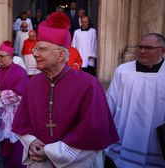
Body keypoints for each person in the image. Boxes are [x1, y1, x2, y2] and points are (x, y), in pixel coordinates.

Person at [12, 12, 119, 168]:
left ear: (61, 55)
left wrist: (50, 151)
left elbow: (92, 133)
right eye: (35, 49)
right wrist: (31, 142)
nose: (34, 53)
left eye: (41, 49)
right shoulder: (33, 83)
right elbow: (23, 122)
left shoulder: (89, 85)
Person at [106, 33, 165, 168]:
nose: (142, 51)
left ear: (162, 51)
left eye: (148, 48)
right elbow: (110, 102)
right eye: (140, 47)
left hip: (155, 138)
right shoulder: (123, 70)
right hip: (124, 131)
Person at [0, 41, 29, 168]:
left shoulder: (20, 72)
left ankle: (17, 164)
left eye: (1, 56)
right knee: (3, 142)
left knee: (15, 143)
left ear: (10, 57)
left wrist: (2, 94)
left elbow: (21, 94)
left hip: (14, 114)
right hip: (0, 113)